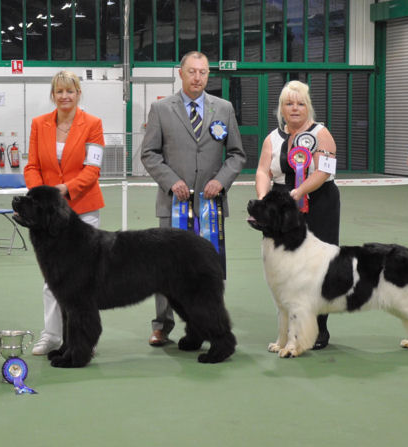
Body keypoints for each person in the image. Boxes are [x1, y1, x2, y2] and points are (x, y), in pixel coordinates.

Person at [139, 51, 246, 347]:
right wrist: (171, 181)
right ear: (181, 74)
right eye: (192, 72)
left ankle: (207, 323)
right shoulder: (160, 109)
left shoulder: (223, 108)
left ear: (209, 75)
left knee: (208, 272)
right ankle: (162, 326)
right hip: (172, 205)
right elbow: (149, 153)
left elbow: (237, 154)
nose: (198, 77)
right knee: (165, 270)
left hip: (211, 208)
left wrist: (220, 181)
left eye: (203, 72)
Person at [254, 80, 342, 349]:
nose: (294, 108)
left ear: (308, 107)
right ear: (281, 108)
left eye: (300, 103)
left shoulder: (321, 133)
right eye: (289, 103)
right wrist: (262, 200)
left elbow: (323, 171)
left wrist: (300, 191)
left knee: (318, 267)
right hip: (282, 209)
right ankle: (289, 329)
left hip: (318, 203)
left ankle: (319, 330)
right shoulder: (272, 138)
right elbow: (262, 171)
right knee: (285, 268)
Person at [23, 71, 106, 355]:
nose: (64, 96)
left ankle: (82, 339)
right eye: (59, 91)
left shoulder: (93, 124)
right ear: (53, 95)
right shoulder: (38, 124)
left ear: (78, 93)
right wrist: (43, 196)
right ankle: (52, 336)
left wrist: (64, 190)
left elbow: (92, 170)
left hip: (83, 209)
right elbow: (31, 166)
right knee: (53, 280)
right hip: (49, 218)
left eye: (70, 91)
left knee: (84, 281)